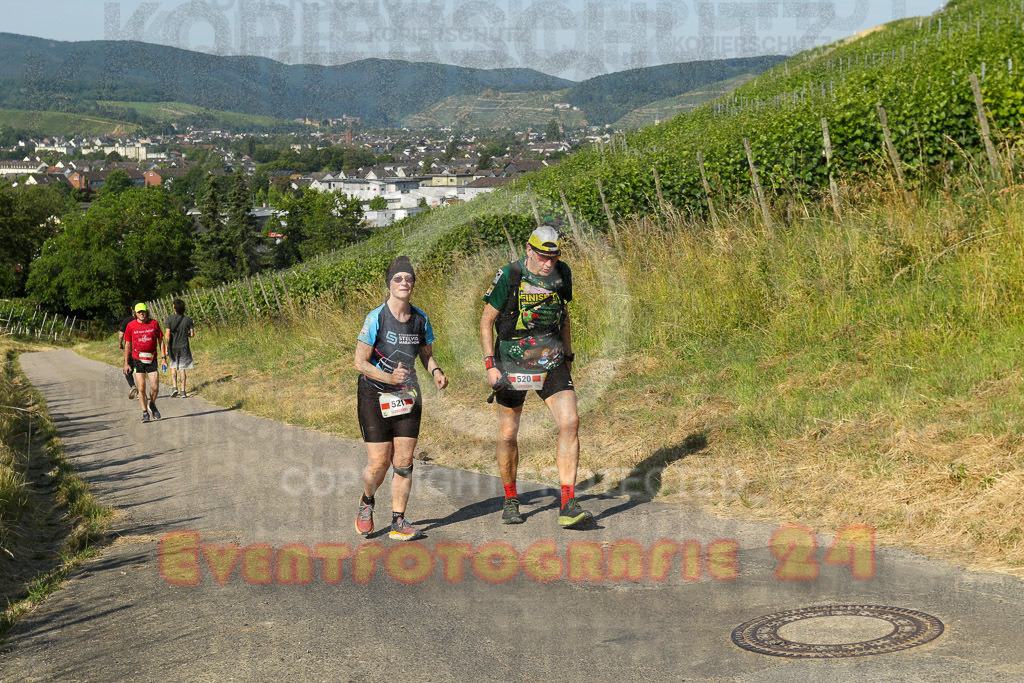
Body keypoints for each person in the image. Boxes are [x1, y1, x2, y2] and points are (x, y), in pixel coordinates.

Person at [480, 225, 592, 528]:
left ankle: (568, 501)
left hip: (551, 359)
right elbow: (486, 320)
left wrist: (568, 355)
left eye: (554, 258)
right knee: (508, 433)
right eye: (544, 257)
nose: (549, 264)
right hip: (511, 361)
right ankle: (511, 497)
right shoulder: (510, 274)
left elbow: (563, 314)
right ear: (529, 250)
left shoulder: (562, 273)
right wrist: (490, 364)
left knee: (570, 422)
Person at [353, 256, 448, 541]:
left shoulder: (420, 319)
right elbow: (360, 362)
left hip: (407, 396)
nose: (404, 283)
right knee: (378, 464)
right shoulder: (376, 317)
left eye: (408, 279)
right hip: (374, 394)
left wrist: (436, 371)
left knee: (404, 462)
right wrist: (387, 378)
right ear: (390, 284)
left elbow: (426, 354)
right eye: (398, 279)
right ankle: (367, 501)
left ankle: (399, 521)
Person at [123, 302, 167, 423]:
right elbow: (127, 344)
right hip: (137, 358)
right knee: (141, 387)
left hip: (152, 357)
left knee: (155, 386)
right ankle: (144, 412)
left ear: (147, 311)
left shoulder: (154, 323)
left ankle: (152, 404)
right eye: (139, 312)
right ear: (135, 314)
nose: (142, 314)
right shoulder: (131, 326)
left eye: (143, 311)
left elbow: (161, 340)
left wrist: (164, 358)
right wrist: (126, 363)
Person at [164, 298, 196, 398]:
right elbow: (192, 334)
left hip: (173, 347)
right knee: (182, 369)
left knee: (173, 367)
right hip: (184, 347)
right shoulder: (188, 319)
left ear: (174, 307)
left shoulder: (169, 319)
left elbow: (167, 334)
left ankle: (174, 387)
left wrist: (166, 347)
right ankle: (183, 391)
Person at [117, 306, 139, 400]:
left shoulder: (127, 321)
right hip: (140, 349)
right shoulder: (146, 321)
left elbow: (121, 335)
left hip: (130, 348)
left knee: (127, 369)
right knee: (139, 370)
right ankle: (140, 392)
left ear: (131, 308)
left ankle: (133, 386)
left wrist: (120, 344)